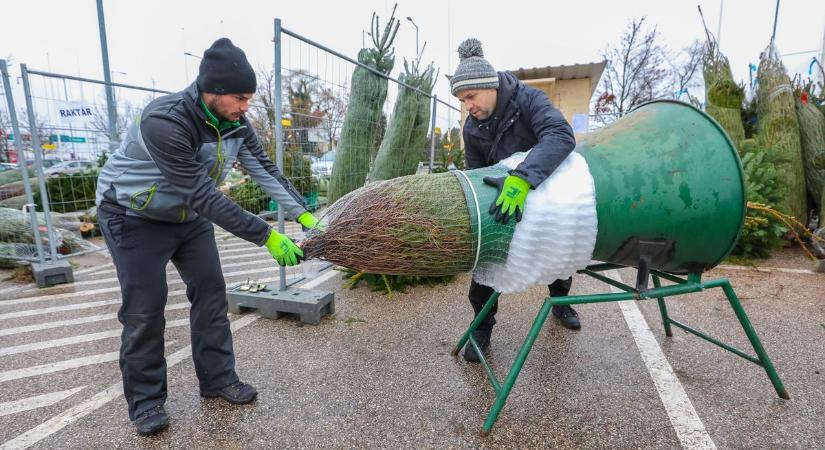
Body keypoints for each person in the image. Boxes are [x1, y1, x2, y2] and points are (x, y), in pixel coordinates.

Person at [96, 38, 319, 435]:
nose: (246, 107)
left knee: (212, 292)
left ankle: (217, 380)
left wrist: (305, 216)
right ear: (211, 91)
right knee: (145, 309)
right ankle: (146, 402)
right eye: (239, 97)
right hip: (133, 214)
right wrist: (265, 236)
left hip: (188, 215)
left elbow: (264, 170)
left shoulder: (235, 124)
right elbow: (201, 193)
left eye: (249, 98)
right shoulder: (165, 122)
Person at [449, 38, 580, 362]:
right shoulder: (472, 129)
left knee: (559, 248)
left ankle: (560, 302)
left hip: (544, 187)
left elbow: (561, 135)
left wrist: (523, 178)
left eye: (470, 96)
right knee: (488, 260)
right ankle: (482, 328)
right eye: (462, 100)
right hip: (503, 198)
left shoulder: (529, 100)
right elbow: (477, 175)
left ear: (489, 86)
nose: (468, 106)